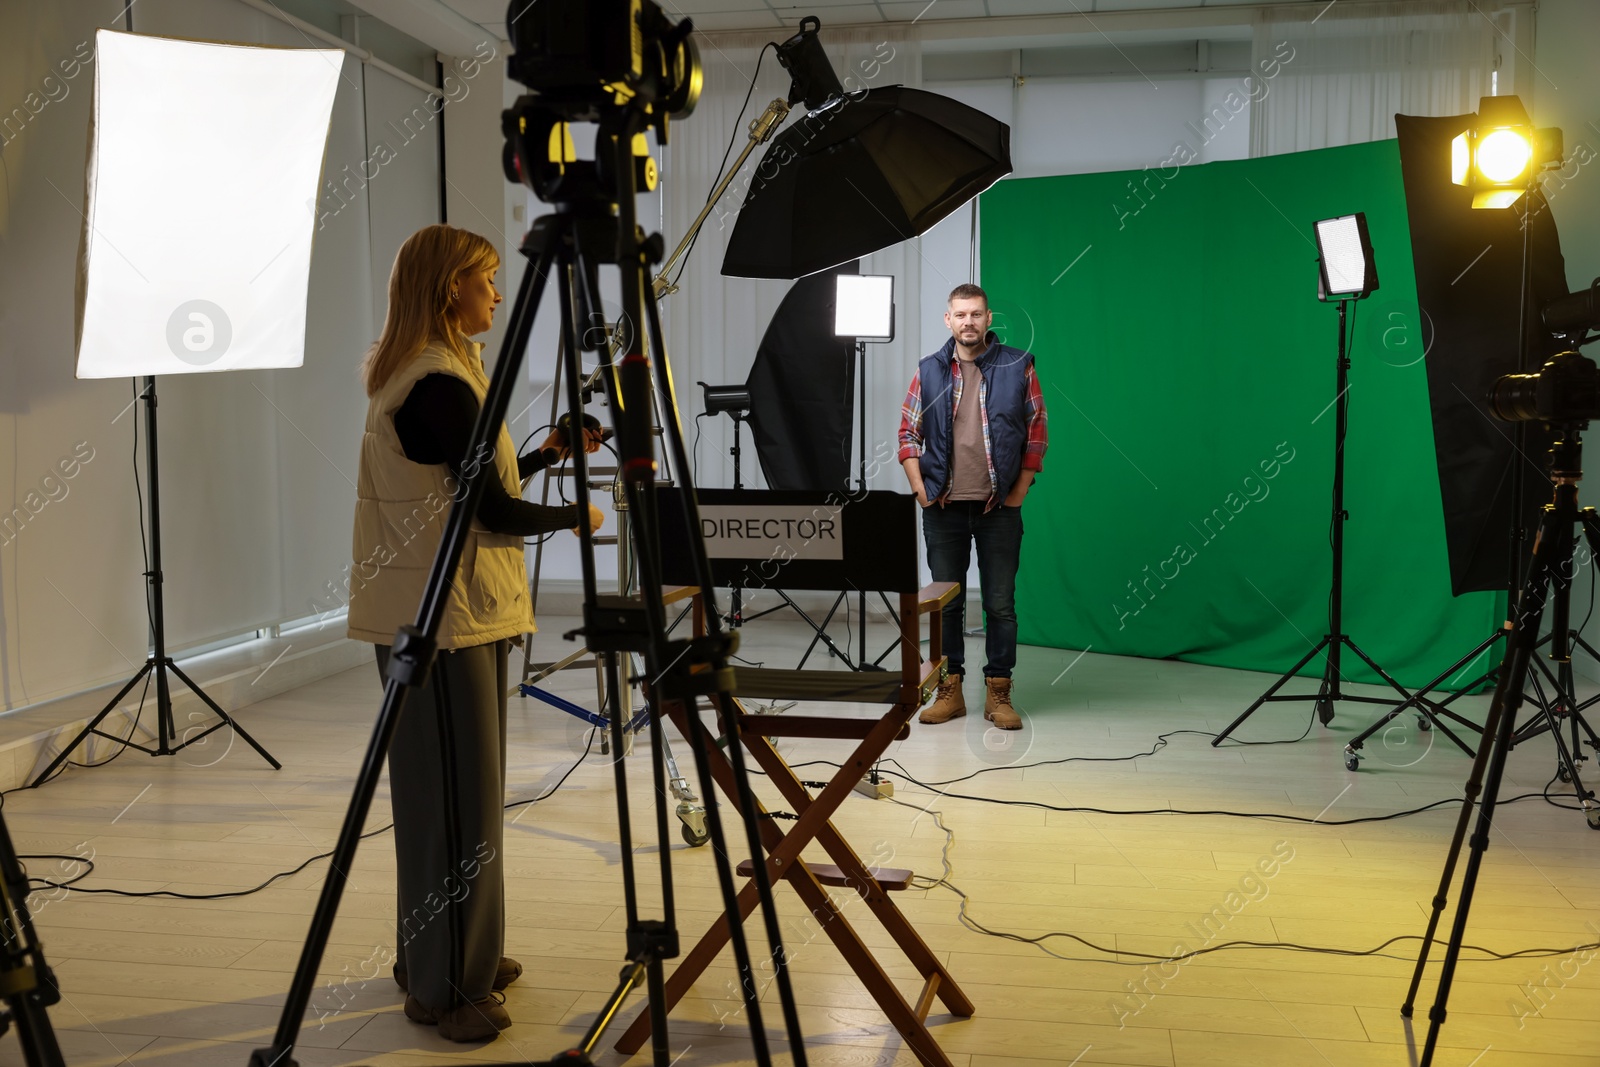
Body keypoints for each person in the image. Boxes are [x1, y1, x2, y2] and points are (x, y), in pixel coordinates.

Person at [346, 224, 603, 1042]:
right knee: (452, 807)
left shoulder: (444, 373)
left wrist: (547, 453)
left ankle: (453, 956)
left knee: (455, 802)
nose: (497, 294)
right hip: (442, 622)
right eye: (485, 280)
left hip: (449, 615)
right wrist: (575, 513)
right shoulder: (435, 384)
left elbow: (470, 482)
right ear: (449, 286)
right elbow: (487, 509)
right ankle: (441, 986)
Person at [898, 283, 1047, 731]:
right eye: (960, 315)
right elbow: (907, 432)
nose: (968, 322)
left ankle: (999, 693)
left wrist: (1019, 488)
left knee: (1000, 603)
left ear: (988, 319)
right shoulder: (928, 370)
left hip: (998, 507)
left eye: (976, 314)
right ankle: (950, 690)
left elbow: (1036, 428)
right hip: (943, 507)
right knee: (947, 605)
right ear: (948, 319)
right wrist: (919, 488)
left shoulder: (1019, 364)